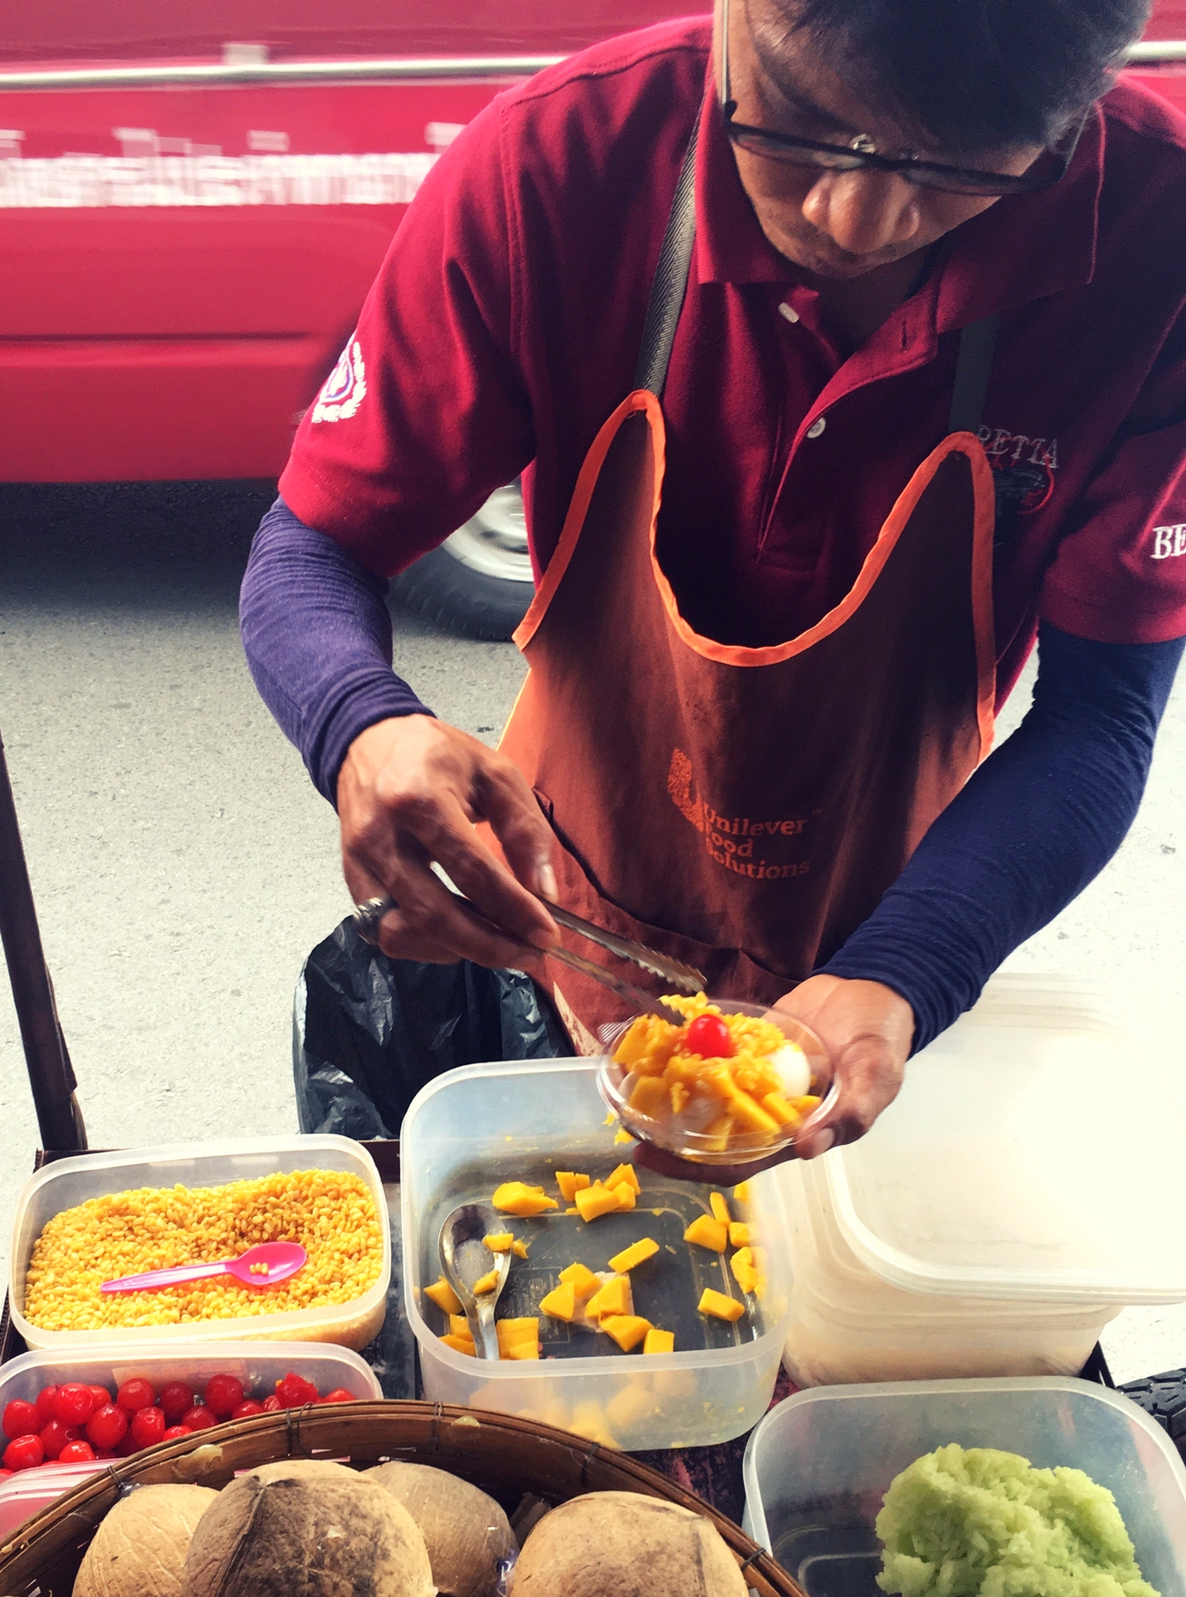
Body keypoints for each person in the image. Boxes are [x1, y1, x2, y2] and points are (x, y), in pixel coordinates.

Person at [243, 0, 1185, 1171]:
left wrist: (904, 971)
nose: (856, 218)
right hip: (563, 904)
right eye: (792, 124)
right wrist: (360, 726)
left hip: (897, 919)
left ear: (1073, 116)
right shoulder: (559, 166)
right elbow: (309, 548)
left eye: (957, 166)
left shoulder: (1158, 241)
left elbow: (1104, 718)